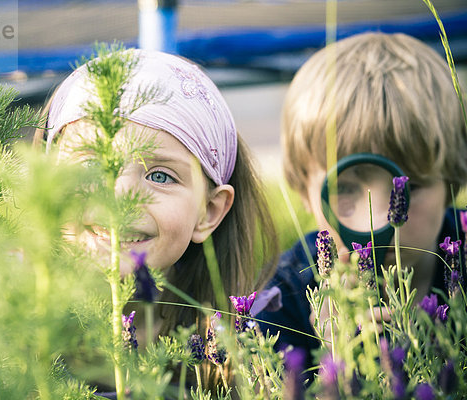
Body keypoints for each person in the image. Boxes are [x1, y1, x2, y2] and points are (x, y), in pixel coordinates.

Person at [33, 48, 278, 385]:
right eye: (92, 165)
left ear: (209, 211)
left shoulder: (236, 353)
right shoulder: (8, 332)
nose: (119, 196)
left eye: (159, 176)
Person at [255, 32, 467, 361]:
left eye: (409, 189)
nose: (380, 216)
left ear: (453, 182)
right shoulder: (282, 297)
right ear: (303, 191)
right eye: (346, 188)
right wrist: (335, 360)